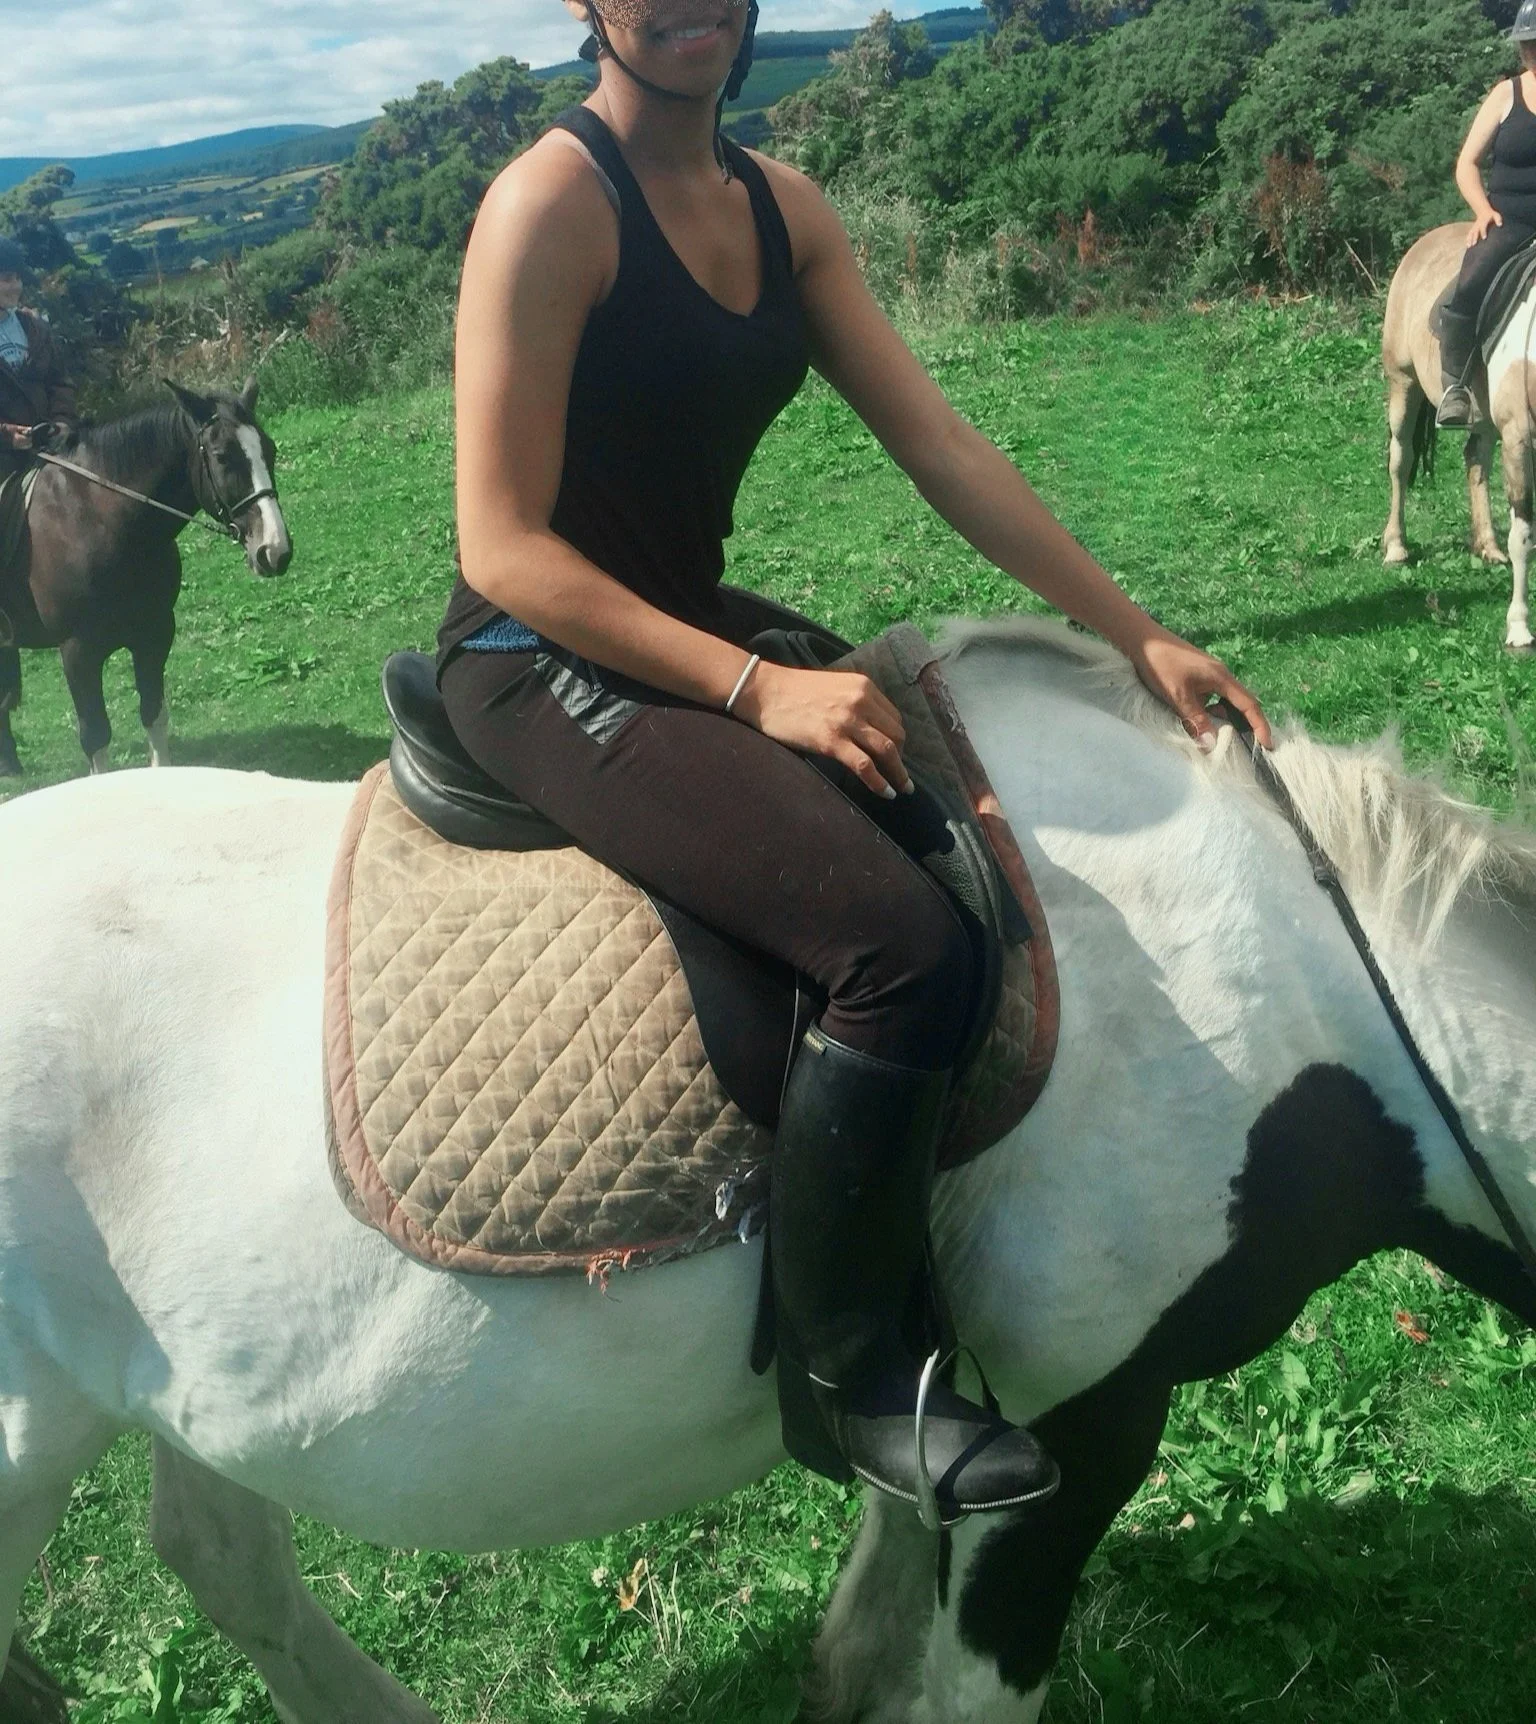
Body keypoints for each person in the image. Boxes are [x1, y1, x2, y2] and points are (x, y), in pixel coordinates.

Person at [438, 0, 1273, 1521]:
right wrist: (759, 689)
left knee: (938, 812)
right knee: (899, 947)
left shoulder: (782, 208)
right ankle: (859, 1380)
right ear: (582, 9)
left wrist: (1135, 631)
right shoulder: (547, 205)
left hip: (673, 618)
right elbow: (500, 548)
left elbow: (940, 445)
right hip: (533, 657)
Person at [1437, 0, 1536, 428]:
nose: (1531, 51)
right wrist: (1481, 210)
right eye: (1526, 44)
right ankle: (1455, 386)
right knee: (1470, 280)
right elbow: (1466, 163)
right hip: (1508, 220)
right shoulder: (1505, 95)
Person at [0, 235, 77, 477]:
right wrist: (7, 436)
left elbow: (59, 381)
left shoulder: (35, 328)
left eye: (18, 278)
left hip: (49, 446)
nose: (16, 286)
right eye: (6, 280)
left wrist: (63, 420)